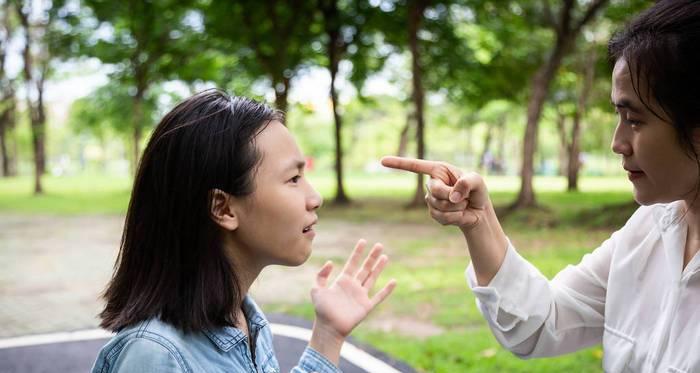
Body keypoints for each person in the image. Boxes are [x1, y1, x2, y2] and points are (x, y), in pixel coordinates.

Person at [382, 1, 700, 372]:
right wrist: (478, 220)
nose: (617, 142)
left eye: (634, 120)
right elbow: (541, 323)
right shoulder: (647, 232)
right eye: (618, 116)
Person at [91, 90, 396, 373]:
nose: (315, 198)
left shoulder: (244, 318)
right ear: (223, 208)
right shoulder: (156, 356)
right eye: (293, 179)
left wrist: (328, 335)